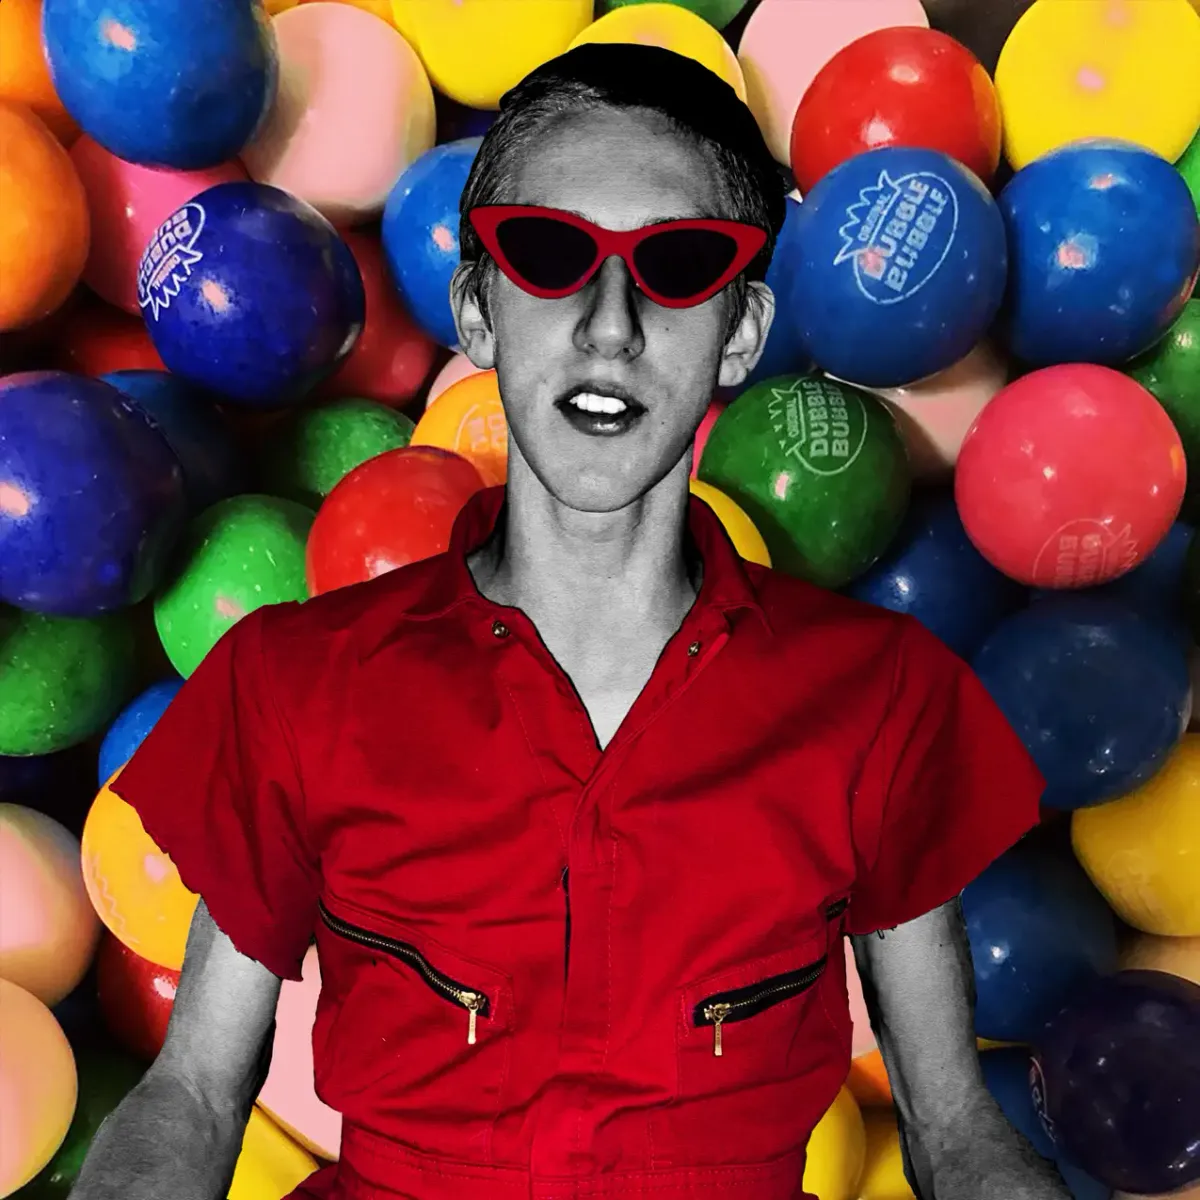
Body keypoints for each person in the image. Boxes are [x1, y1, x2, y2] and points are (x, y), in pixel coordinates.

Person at [71, 43, 1069, 1200]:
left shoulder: (879, 694)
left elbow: (953, 1131)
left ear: (743, 333)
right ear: (477, 311)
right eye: (548, 257)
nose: (609, 325)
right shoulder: (296, 684)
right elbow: (193, 1094)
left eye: (679, 267)